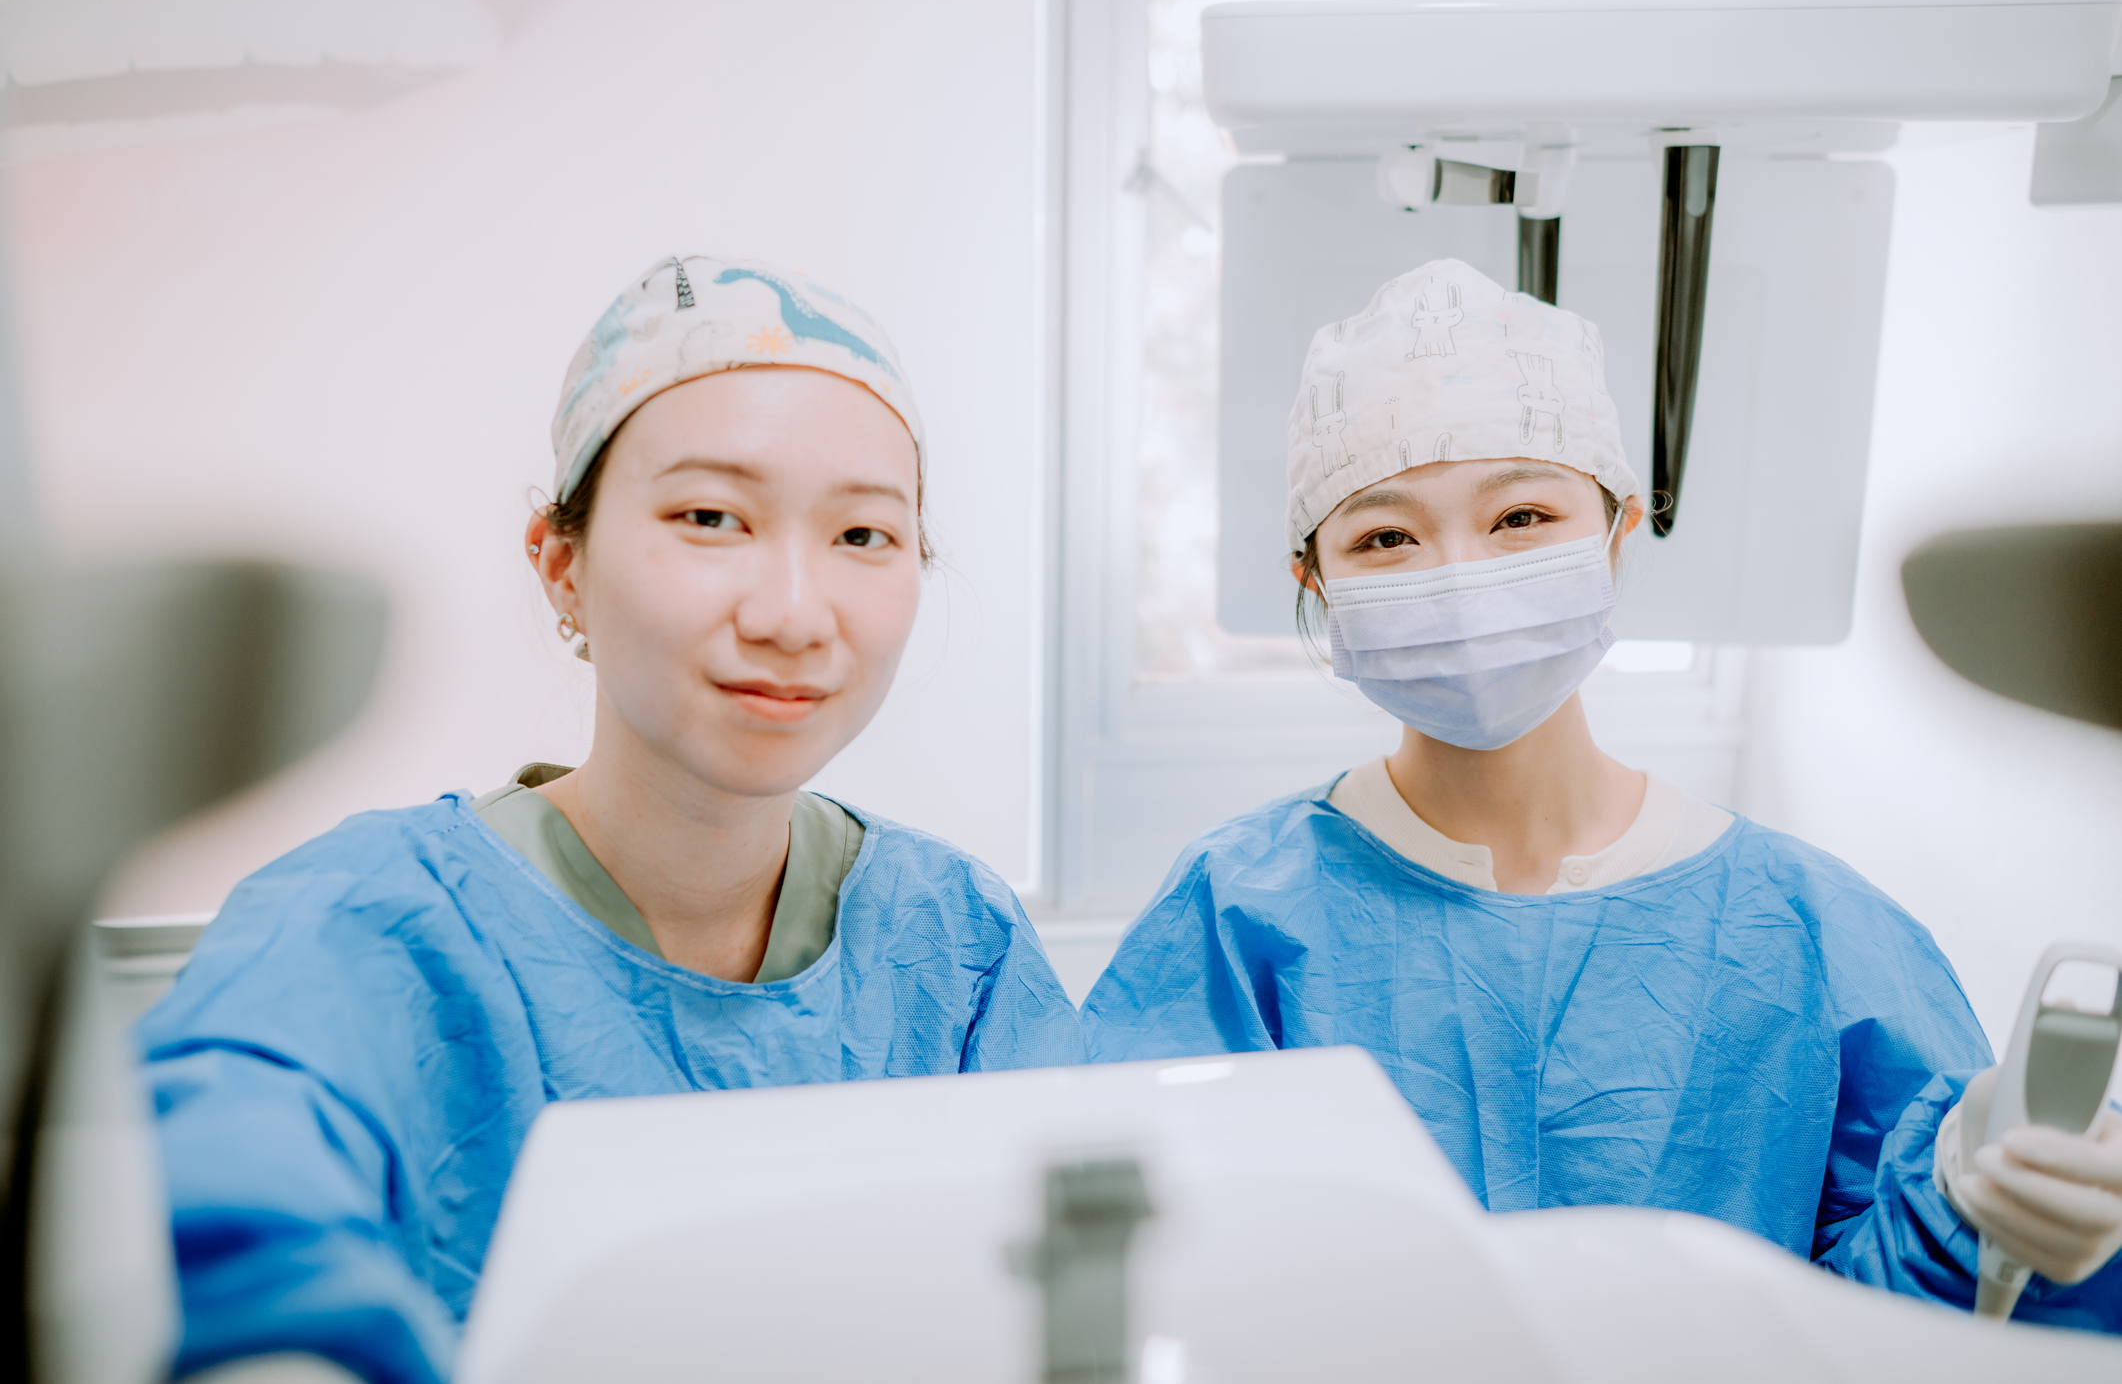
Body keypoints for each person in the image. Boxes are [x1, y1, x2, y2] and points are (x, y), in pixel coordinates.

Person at [1082, 259, 2122, 1329]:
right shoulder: (1234, 917)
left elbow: (1886, 1335)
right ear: (1318, 583)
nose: (1458, 572)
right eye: (1385, 536)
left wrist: (1970, 1191)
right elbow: (1134, 1288)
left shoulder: (1819, 933)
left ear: (1619, 530)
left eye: (1521, 515)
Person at [141, 254, 1084, 1384]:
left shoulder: (955, 941)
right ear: (562, 564)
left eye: (862, 536)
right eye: (710, 515)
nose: (793, 613)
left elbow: (1091, 1273)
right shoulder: (360, 927)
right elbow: (218, 1204)